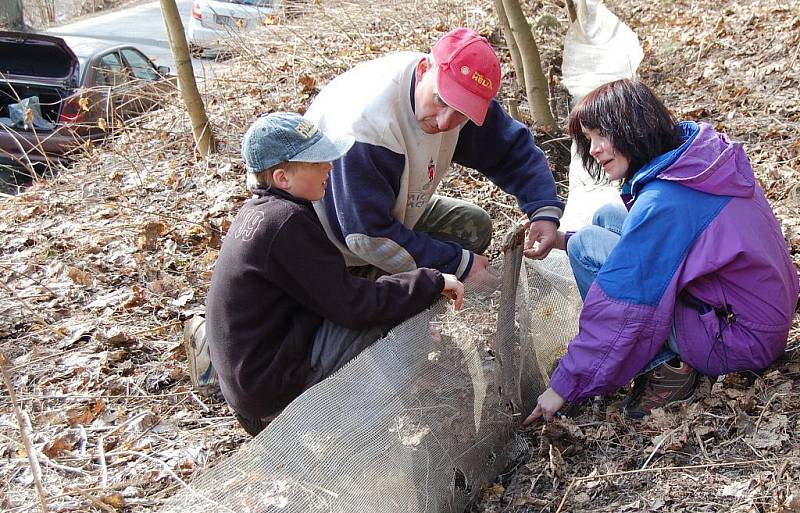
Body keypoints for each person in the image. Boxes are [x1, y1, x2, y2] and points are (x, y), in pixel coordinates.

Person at [523, 79, 799, 423]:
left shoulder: (665, 202)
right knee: (605, 218)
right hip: (758, 319)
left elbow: (621, 302)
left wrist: (563, 386)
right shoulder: (697, 161)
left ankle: (666, 368)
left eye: (601, 135)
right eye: (589, 139)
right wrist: (559, 239)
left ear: (632, 128)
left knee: (585, 247)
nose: (593, 149)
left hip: (736, 339)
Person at [185, 112, 463, 436]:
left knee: (386, 297)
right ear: (282, 178)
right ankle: (360, 434)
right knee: (383, 317)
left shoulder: (259, 213)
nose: (329, 166)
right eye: (316, 162)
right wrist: (432, 281)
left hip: (251, 382)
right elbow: (354, 306)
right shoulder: (285, 223)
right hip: (271, 389)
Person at [304, 27, 562, 287]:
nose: (445, 122)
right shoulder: (366, 128)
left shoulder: (459, 91)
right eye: (440, 100)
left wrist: (543, 210)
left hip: (389, 211)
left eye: (461, 113)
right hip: (332, 244)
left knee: (472, 226)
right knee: (385, 311)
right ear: (424, 68)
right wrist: (457, 265)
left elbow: (511, 152)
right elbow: (367, 236)